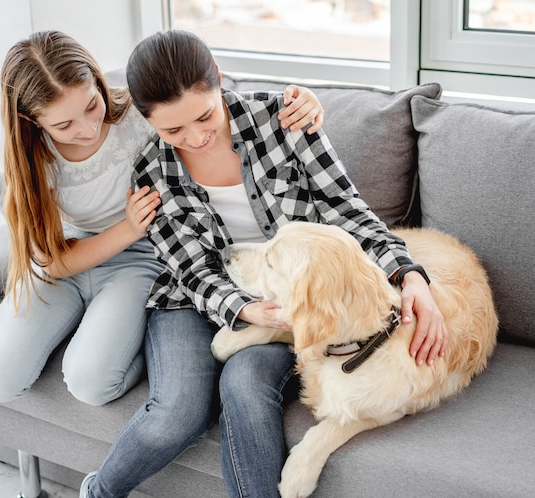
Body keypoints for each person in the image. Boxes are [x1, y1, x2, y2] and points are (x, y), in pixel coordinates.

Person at [80, 30, 447, 497]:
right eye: (172, 130)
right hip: (193, 299)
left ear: (216, 77)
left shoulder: (285, 120)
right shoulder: (152, 170)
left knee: (246, 383)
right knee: (177, 411)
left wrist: (410, 275)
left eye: (204, 115)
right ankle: (98, 492)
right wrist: (245, 310)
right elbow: (192, 271)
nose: (195, 138)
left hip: (285, 295)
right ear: (148, 120)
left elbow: (347, 213)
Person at [0, 30, 325, 407]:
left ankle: (124, 346)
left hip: (138, 258)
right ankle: (83, 325)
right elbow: (53, 263)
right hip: (67, 260)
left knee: (91, 384)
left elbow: (203, 96)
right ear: (31, 121)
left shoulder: (139, 117)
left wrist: (301, 99)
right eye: (63, 126)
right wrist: (127, 227)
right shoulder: (28, 159)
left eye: (92, 106)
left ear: (97, 79)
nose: (88, 129)